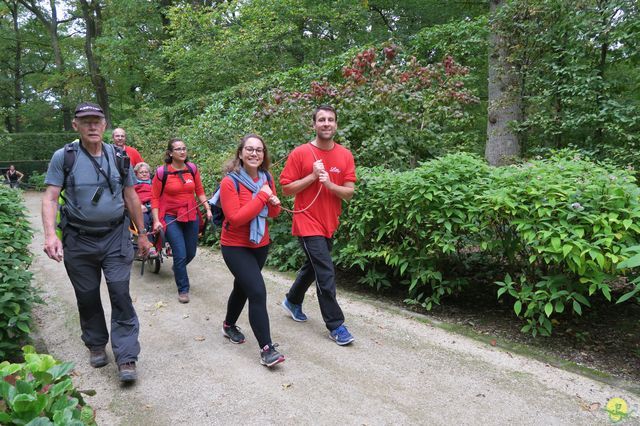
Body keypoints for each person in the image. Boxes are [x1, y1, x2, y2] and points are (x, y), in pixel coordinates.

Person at [41, 101, 151, 383]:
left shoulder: (119, 157)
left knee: (120, 292)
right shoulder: (63, 157)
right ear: (76, 125)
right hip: (78, 239)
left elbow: (132, 197)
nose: (92, 126)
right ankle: (95, 343)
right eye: (85, 121)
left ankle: (126, 356)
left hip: (115, 236)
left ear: (105, 125)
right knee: (87, 295)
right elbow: (51, 197)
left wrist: (142, 234)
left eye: (97, 121)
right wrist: (51, 235)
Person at [279, 105, 357, 346]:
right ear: (313, 125)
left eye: (330, 120)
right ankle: (336, 325)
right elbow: (286, 188)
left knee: (313, 268)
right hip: (306, 221)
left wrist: (330, 185)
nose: (326, 123)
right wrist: (312, 177)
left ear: (336, 125)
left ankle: (292, 300)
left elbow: (349, 193)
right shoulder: (301, 153)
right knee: (325, 271)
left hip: (328, 223)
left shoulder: (345, 155)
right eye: (321, 120)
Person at [218, 134, 284, 367]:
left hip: (259, 244)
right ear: (240, 153)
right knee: (257, 291)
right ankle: (267, 349)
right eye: (249, 149)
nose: (254, 153)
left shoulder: (266, 177)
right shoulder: (230, 182)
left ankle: (228, 325)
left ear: (263, 155)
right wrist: (262, 197)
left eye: (259, 150)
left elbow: (272, 215)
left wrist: (272, 203)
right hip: (235, 246)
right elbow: (235, 219)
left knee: (243, 287)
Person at [151, 138, 212, 303]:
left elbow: (199, 189)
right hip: (170, 216)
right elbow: (154, 198)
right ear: (170, 153)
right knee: (180, 252)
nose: (182, 151)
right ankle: (183, 289)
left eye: (184, 148)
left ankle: (178, 267)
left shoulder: (192, 169)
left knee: (190, 252)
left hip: (191, 214)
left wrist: (207, 208)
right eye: (178, 149)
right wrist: (156, 220)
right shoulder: (162, 172)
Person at [133, 162, 157, 257]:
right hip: (141, 208)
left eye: (146, 172)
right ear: (136, 174)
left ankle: (166, 243)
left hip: (153, 206)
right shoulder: (134, 185)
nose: (144, 174)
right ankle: (149, 245)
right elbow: (131, 198)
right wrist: (139, 205)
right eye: (141, 172)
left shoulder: (154, 184)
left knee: (159, 219)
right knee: (144, 221)